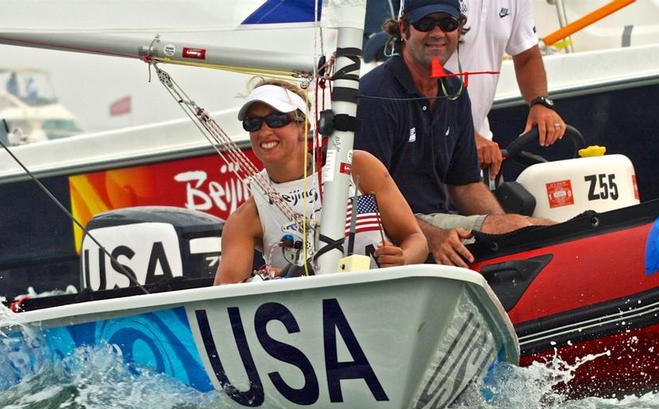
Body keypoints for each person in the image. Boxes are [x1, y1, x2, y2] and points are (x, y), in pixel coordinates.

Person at [357, 0, 550, 268]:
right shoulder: (375, 94)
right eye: (425, 23)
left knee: (538, 229)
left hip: (440, 220)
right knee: (529, 228)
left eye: (447, 24)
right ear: (403, 29)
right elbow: (366, 199)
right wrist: (431, 237)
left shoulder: (453, 89)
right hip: (400, 233)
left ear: (459, 30)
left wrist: (507, 233)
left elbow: (465, 184)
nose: (437, 33)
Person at [214, 81, 428, 285]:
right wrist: (263, 281)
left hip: (383, 300)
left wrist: (404, 259)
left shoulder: (357, 166)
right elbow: (224, 295)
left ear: (304, 126)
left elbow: (416, 239)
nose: (264, 131)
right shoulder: (247, 217)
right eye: (253, 123)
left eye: (277, 119)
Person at [446, 0, 566, 178]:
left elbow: (526, 55)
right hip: (428, 149)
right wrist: (465, 136)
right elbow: (418, 67)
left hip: (479, 151)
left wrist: (539, 102)